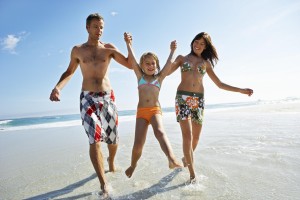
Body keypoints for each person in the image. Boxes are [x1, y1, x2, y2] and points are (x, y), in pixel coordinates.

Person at [49, 13, 132, 197]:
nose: (99, 30)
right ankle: (104, 184)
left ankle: (111, 163)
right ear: (87, 28)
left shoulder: (109, 48)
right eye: (95, 26)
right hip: (87, 98)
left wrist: (128, 45)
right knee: (94, 138)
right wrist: (57, 87)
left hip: (107, 97)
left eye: (101, 27)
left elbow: (130, 64)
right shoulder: (78, 50)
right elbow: (69, 72)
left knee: (113, 139)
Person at [168, 32, 253, 183]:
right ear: (192, 42)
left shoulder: (206, 63)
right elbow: (167, 73)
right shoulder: (182, 58)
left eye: (202, 44)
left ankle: (186, 157)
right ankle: (192, 174)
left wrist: (240, 90)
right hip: (183, 98)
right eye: (196, 41)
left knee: (196, 139)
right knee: (187, 136)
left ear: (206, 47)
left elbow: (219, 84)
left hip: (199, 101)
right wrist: (172, 52)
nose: (198, 45)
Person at [123, 32, 182, 178]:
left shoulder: (159, 78)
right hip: (141, 113)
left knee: (160, 132)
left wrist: (172, 51)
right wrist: (128, 44)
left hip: (155, 110)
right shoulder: (140, 77)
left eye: (153, 63)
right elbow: (132, 60)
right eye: (147, 63)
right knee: (138, 144)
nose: (150, 66)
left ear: (156, 65)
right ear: (142, 66)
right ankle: (133, 165)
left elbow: (169, 65)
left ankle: (172, 158)